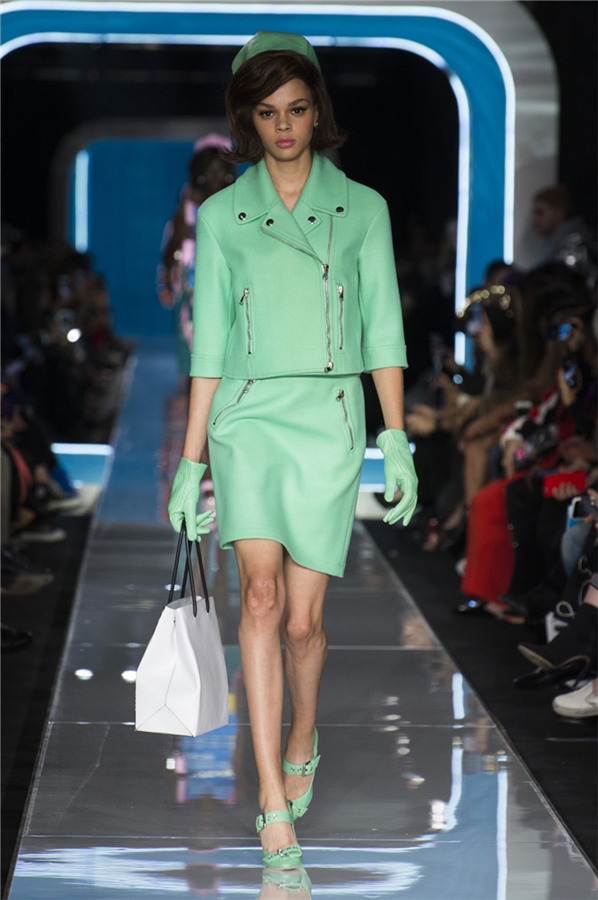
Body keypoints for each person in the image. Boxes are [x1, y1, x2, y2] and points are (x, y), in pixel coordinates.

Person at [165, 30, 417, 871]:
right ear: (247, 119)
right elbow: (209, 346)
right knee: (263, 599)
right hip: (247, 420)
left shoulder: (365, 208)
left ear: (318, 113)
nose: (283, 126)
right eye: (268, 112)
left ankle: (304, 730)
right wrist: (192, 462)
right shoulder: (222, 217)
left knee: (306, 624)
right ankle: (273, 802)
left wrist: (395, 437)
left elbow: (384, 328)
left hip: (329, 416)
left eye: (297, 109)